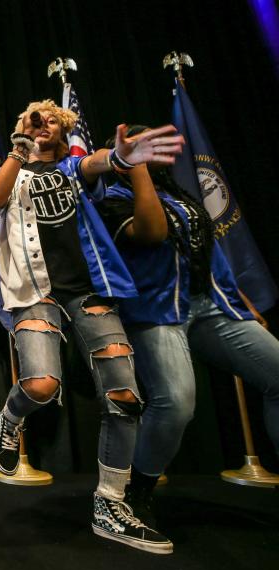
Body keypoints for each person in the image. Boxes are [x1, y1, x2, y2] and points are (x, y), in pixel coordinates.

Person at [0, 100, 184, 554]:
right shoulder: (12, 173)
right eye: (35, 118)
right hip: (34, 293)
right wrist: (20, 148)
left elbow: (97, 162)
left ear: (65, 129)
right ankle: (11, 419)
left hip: (87, 291)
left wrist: (121, 159)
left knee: (124, 396)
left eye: (52, 119)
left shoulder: (74, 169)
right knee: (39, 384)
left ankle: (110, 503)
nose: (43, 124)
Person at [95, 126, 279, 528]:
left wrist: (241, 302)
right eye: (139, 147)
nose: (150, 151)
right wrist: (136, 167)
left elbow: (202, 247)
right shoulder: (110, 199)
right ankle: (136, 491)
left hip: (211, 305)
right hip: (156, 312)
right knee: (176, 404)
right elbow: (153, 233)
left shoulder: (177, 194)